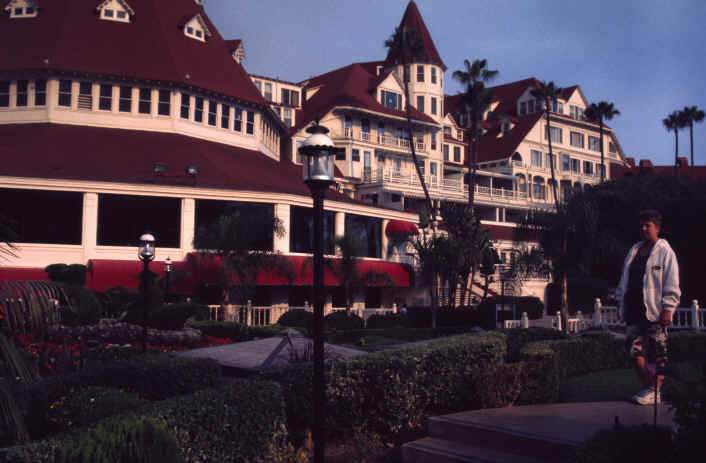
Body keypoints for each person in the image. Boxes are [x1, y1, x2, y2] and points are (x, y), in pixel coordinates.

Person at [616, 209, 680, 405]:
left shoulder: (665, 251)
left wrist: (668, 308)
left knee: (658, 352)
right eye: (642, 225)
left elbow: (671, 281)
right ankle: (651, 388)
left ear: (657, 228)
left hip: (654, 312)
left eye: (648, 225)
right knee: (634, 352)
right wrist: (620, 301)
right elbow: (625, 279)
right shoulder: (634, 250)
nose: (643, 228)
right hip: (633, 310)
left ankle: (655, 390)